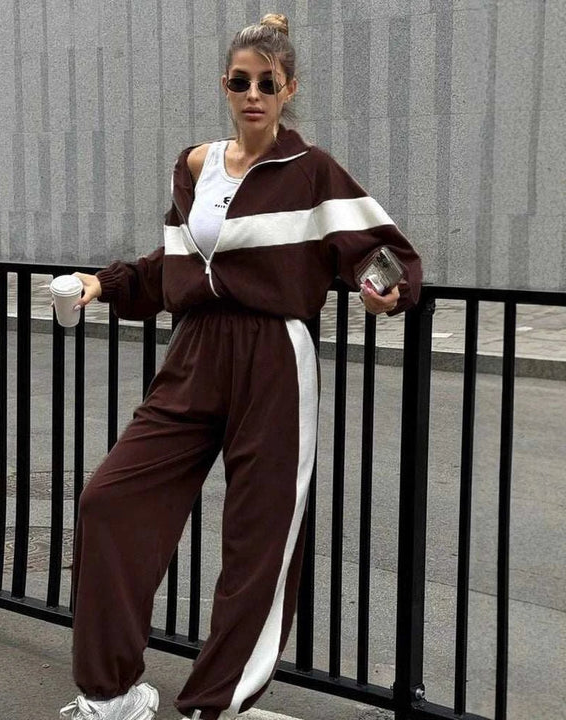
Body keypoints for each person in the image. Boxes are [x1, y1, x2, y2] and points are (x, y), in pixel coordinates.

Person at [58, 13, 423, 720]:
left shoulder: (311, 171)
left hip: (275, 358)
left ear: (288, 90)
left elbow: (385, 251)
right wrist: (104, 283)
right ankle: (112, 692)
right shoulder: (195, 167)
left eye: (267, 83)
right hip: (195, 352)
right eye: (240, 82)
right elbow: (172, 266)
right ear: (224, 86)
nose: (253, 94)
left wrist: (386, 289)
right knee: (110, 500)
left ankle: (216, 705)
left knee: (259, 540)